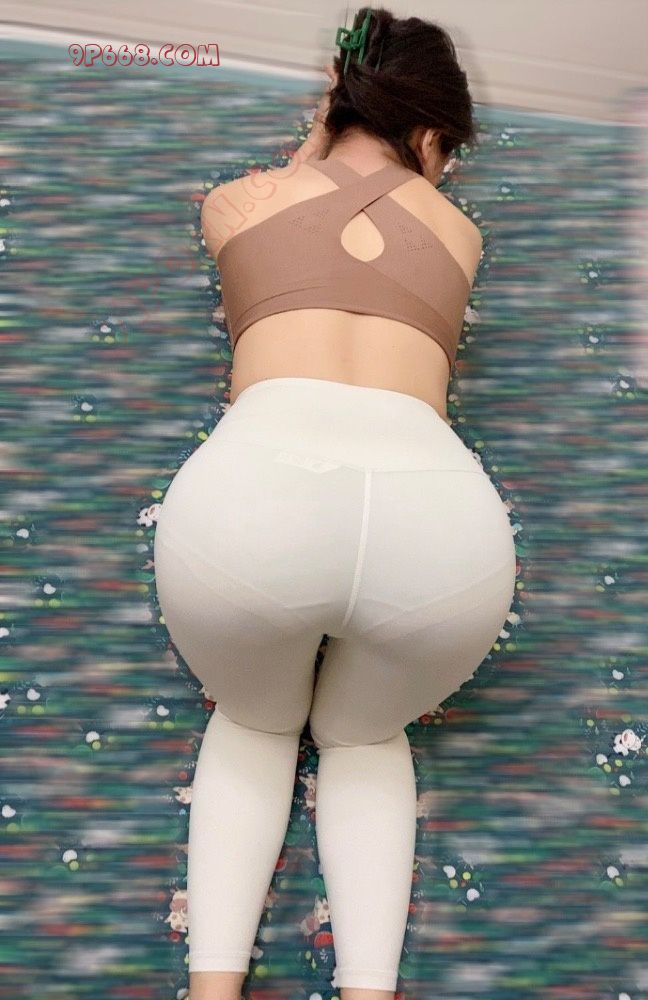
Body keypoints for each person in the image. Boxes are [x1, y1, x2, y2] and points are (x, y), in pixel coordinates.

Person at [153, 7, 517, 1000]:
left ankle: (214, 988)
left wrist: (320, 133)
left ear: (335, 98)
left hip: (254, 509)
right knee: (363, 738)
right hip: (440, 531)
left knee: (255, 724)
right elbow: (398, 203)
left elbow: (302, 194)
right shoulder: (462, 233)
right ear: (435, 136)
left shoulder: (236, 201)